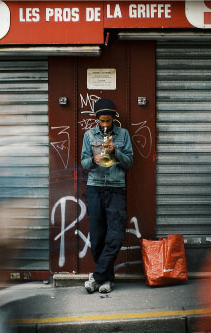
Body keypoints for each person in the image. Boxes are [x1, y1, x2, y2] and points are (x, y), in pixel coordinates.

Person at [81, 98, 134, 294]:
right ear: (97, 120)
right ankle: (106, 280)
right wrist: (94, 159)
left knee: (116, 236)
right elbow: (84, 163)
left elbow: (129, 162)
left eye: (108, 121)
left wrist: (116, 152)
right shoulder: (89, 135)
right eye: (101, 121)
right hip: (95, 188)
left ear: (113, 119)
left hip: (116, 188)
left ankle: (96, 277)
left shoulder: (123, 135)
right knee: (97, 238)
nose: (105, 125)